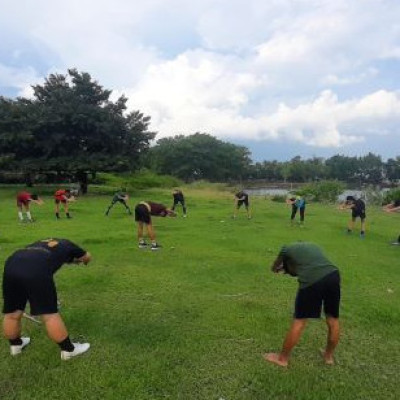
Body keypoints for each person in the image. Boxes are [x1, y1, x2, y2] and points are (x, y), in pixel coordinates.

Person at [2, 239, 92, 360]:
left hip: (12, 264)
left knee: (12, 313)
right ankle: (69, 350)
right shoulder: (69, 245)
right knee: (49, 314)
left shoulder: (42, 243)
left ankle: (16, 346)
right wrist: (83, 261)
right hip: (36, 268)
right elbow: (86, 257)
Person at [264, 242, 341, 367]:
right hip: (333, 275)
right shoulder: (314, 247)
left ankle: (282, 359)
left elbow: (275, 265)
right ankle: (328, 357)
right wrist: (289, 270)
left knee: (299, 321)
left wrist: (276, 268)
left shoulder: (286, 249)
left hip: (312, 282)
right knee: (333, 319)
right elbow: (303, 267)